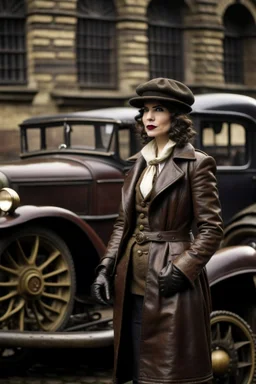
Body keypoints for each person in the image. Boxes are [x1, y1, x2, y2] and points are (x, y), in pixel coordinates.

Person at [91, 78, 223, 384]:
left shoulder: (197, 164)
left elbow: (212, 229)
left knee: (169, 373)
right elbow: (123, 223)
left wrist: (182, 269)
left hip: (171, 283)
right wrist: (106, 267)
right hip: (133, 282)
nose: (148, 117)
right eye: (145, 110)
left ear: (176, 117)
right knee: (138, 370)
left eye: (158, 109)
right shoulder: (137, 164)